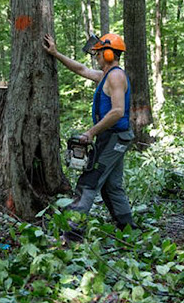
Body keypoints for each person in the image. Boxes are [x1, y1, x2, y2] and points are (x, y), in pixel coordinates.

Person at [43, 33, 137, 231]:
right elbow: (81, 69)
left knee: (89, 181)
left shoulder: (116, 76)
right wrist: (56, 53)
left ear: (109, 54)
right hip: (112, 136)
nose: (96, 57)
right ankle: (129, 230)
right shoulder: (106, 76)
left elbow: (118, 111)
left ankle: (71, 233)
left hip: (114, 137)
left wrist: (91, 132)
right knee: (112, 186)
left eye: (99, 53)